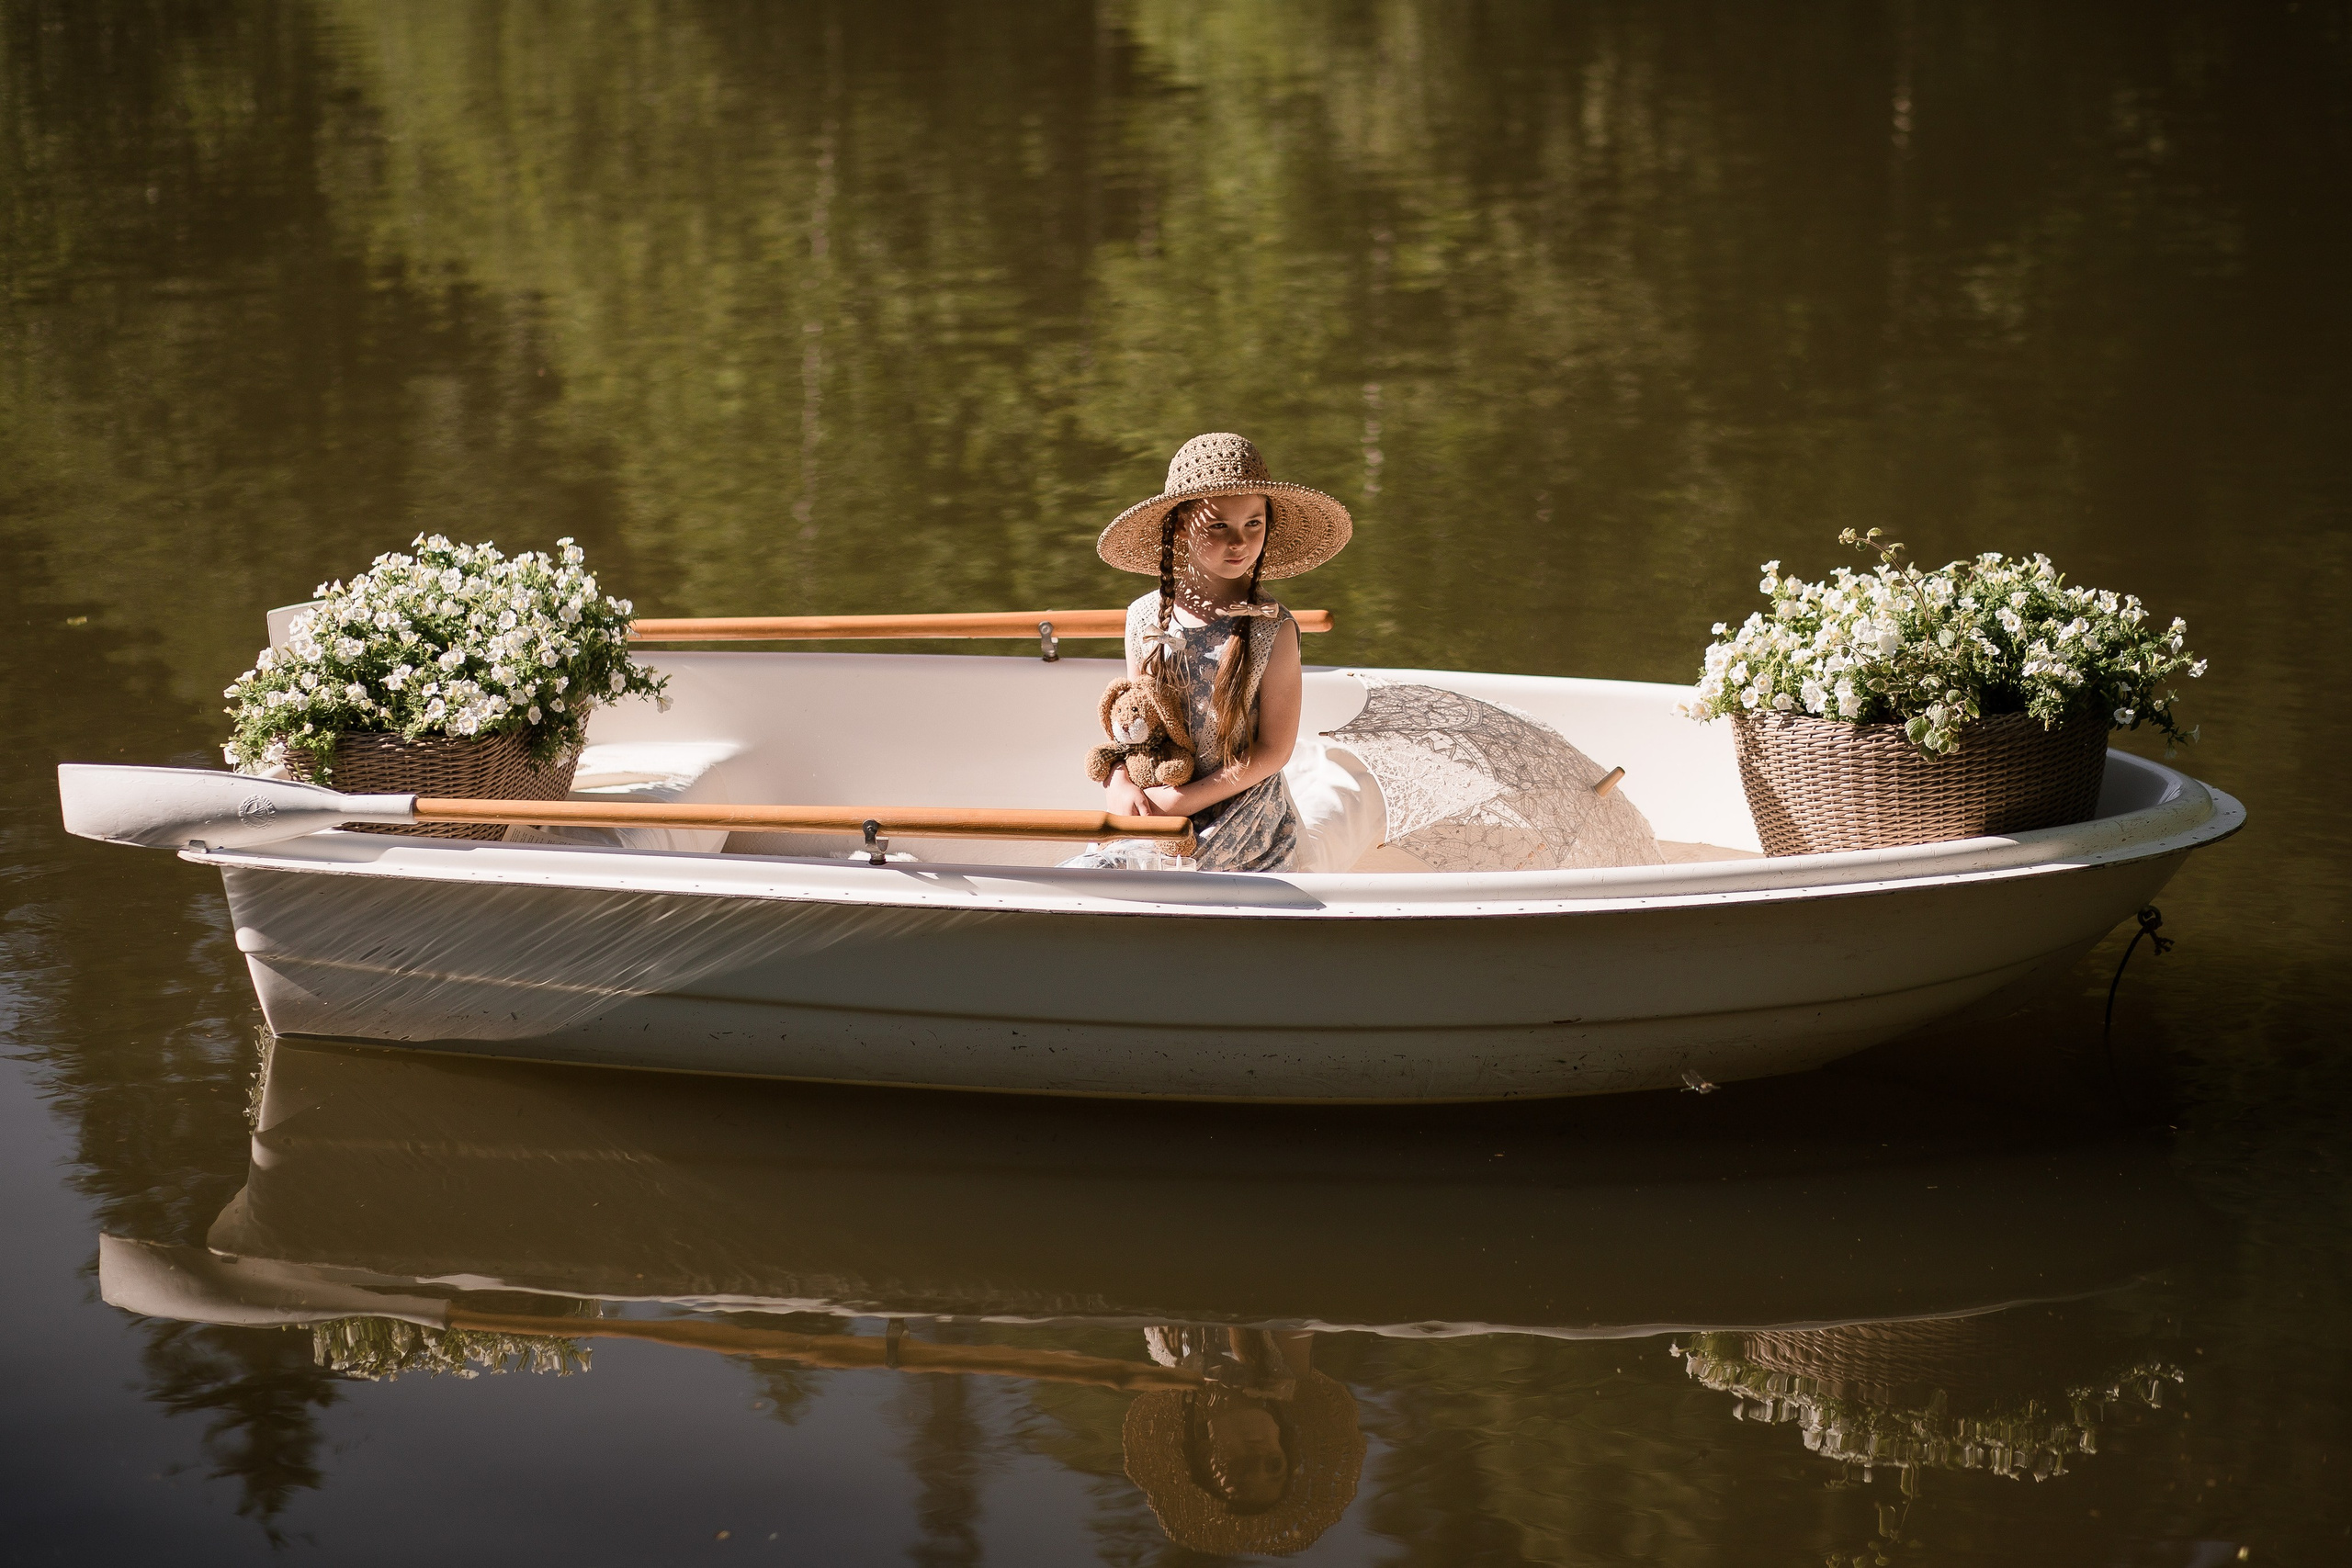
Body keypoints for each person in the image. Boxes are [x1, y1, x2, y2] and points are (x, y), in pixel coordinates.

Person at [1087, 433, 1354, 873]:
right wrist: (1118, 781)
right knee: (1098, 872)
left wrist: (1182, 800)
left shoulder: (1274, 629)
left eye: (1254, 524)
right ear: (1179, 525)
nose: (1239, 542)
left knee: (1140, 876)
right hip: (1158, 796)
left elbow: (1274, 750)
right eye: (1219, 526)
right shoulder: (1143, 618)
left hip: (1243, 812)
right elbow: (1135, 723)